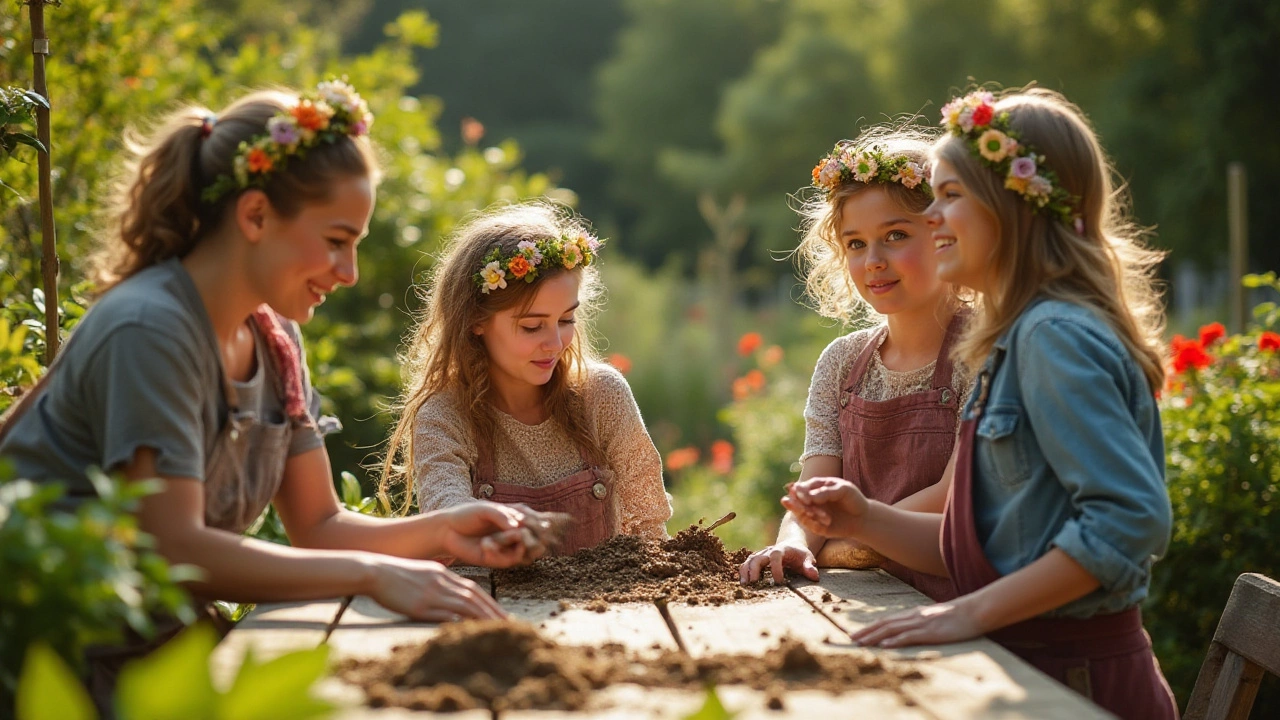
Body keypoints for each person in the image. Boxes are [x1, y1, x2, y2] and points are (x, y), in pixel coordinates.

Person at [0, 81, 553, 638]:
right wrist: (373, 573)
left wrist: (444, 532)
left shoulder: (275, 337)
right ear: (257, 215)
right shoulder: (150, 328)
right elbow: (170, 546)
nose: (349, 272)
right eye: (337, 240)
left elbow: (318, 524)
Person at [784, 88, 1177, 718]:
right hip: (1020, 668)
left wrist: (963, 612)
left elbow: (1129, 521)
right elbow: (986, 545)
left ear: (1014, 204)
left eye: (950, 196)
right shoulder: (1014, 339)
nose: (932, 216)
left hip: (1072, 683)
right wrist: (860, 519)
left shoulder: (1052, 336)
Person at [739, 129, 971, 601]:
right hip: (861, 602)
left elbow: (953, 496)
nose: (874, 261)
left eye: (896, 236)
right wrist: (795, 544)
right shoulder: (842, 363)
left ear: (945, 234)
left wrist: (849, 537)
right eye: (856, 243)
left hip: (957, 604)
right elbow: (814, 490)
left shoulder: (984, 351)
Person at [381, 201, 672, 555]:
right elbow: (448, 516)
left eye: (566, 321)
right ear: (477, 320)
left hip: (602, 608)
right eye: (532, 326)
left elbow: (649, 533)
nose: (555, 344)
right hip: (492, 606)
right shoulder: (444, 416)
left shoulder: (602, 396)